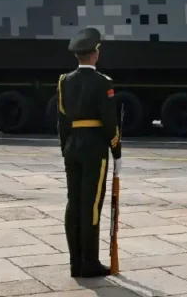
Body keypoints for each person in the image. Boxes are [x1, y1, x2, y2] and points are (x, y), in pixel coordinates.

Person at [57, 27, 122, 278]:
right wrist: (116, 150)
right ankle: (90, 262)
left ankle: (75, 263)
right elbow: (109, 121)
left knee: (74, 203)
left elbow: (62, 120)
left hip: (72, 145)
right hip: (95, 147)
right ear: (94, 54)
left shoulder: (65, 81)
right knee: (92, 205)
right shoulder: (103, 83)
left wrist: (65, 148)